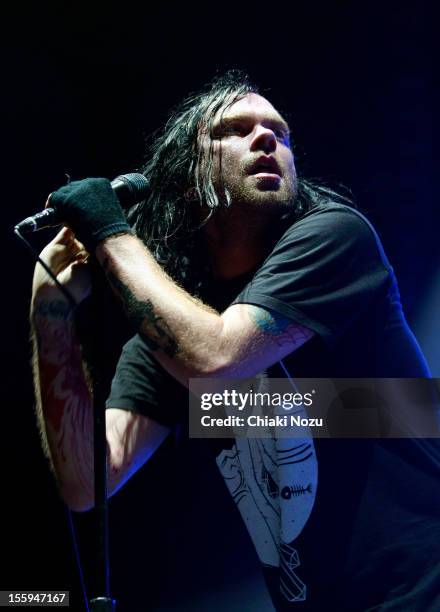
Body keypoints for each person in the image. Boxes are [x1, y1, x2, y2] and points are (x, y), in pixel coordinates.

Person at [31, 71, 440, 611]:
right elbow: (87, 483)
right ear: (185, 175)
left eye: (280, 132)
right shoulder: (168, 339)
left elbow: (218, 359)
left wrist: (110, 233)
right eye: (235, 129)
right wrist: (50, 311)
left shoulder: (335, 237)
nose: (268, 139)